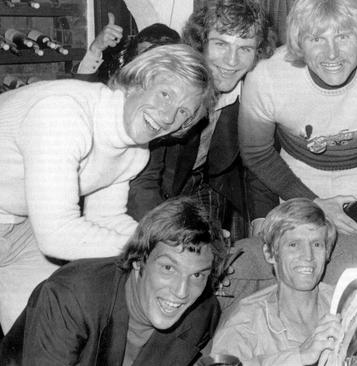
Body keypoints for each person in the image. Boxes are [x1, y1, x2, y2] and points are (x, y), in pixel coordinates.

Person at [0, 43, 211, 331]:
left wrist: (170, 245)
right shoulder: (64, 114)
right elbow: (57, 236)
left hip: (22, 229)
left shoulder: (136, 151)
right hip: (36, 231)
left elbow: (106, 220)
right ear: (140, 80)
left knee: (47, 328)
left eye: (182, 112)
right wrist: (155, 251)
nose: (166, 117)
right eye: (165, 94)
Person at [238, 0, 357, 284]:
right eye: (317, 39)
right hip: (296, 174)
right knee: (294, 273)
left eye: (343, 37)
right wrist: (311, 202)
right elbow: (256, 152)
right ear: (299, 43)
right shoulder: (266, 75)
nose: (332, 53)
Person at [0, 196, 225, 366]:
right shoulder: (71, 297)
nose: (181, 291)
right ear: (139, 261)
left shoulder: (202, 314)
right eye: (168, 268)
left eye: (197, 275)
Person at [127, 0, 277, 242]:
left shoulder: (256, 93)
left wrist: (263, 219)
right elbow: (142, 181)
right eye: (221, 44)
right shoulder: (171, 84)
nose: (231, 61)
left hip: (210, 186)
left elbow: (260, 163)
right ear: (200, 43)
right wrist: (174, 233)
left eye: (245, 49)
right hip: (153, 191)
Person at [209, 198, 343, 365]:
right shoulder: (246, 320)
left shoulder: (347, 303)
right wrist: (299, 356)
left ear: (327, 253)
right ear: (270, 253)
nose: (308, 256)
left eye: (316, 244)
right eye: (293, 244)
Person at [76, 17, 181, 84]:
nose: (144, 65)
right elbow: (83, 95)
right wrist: (96, 48)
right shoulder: (122, 91)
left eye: (153, 58)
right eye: (141, 57)